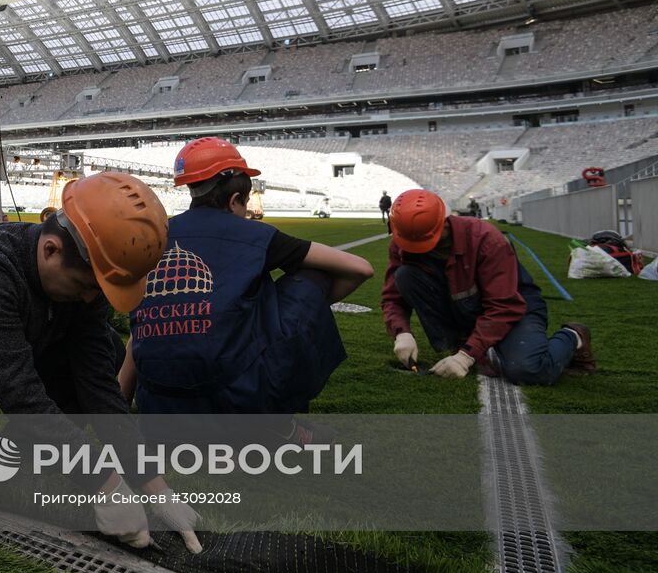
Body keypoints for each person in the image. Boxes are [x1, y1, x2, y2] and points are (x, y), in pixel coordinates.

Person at [0, 171, 201, 549]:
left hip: (21, 353)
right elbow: (18, 391)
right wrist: (103, 483)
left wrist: (153, 484)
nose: (91, 299)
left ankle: (1, 454)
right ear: (50, 250)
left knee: (105, 353)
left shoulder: (91, 276)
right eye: (85, 287)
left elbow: (98, 385)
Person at [124, 138, 374, 422]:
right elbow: (360, 269)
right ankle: (282, 420)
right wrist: (284, 312)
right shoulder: (256, 235)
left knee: (157, 305)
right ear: (234, 201)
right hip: (238, 400)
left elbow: (140, 324)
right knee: (311, 276)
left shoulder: (157, 234)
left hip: (159, 400)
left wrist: (120, 403)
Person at [382, 189, 594, 384]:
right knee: (406, 275)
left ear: (444, 223)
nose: (416, 249)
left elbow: (504, 306)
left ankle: (573, 335)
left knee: (528, 370)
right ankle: (461, 343)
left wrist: (466, 357)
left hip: (516, 308)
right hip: (463, 305)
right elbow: (393, 297)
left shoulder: (486, 239)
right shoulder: (404, 244)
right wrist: (402, 332)